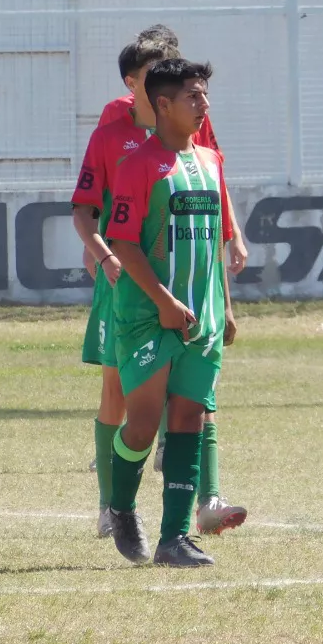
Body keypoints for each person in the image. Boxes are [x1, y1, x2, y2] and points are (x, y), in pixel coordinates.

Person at [105, 59, 239, 567]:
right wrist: (163, 302)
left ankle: (174, 538)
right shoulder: (138, 164)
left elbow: (217, 241)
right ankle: (120, 506)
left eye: (205, 96)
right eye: (194, 97)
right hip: (146, 313)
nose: (204, 106)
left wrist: (223, 305)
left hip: (200, 316)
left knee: (188, 418)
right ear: (163, 104)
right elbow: (122, 242)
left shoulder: (211, 161)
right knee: (141, 425)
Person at [72, 35, 173, 536]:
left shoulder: (193, 134)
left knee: (195, 388)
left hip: (182, 279)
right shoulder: (113, 133)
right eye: (155, 72)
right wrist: (102, 253)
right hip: (126, 280)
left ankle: (196, 505)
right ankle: (110, 505)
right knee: (115, 388)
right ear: (133, 82)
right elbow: (87, 210)